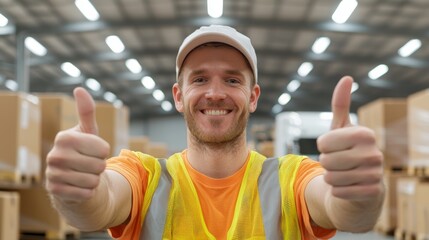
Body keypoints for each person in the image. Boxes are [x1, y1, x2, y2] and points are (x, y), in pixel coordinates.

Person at [45, 25, 385, 240]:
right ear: (179, 96)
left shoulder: (291, 177)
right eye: (200, 79)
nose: (215, 93)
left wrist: (359, 192)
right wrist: (76, 192)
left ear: (253, 97)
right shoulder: (144, 175)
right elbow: (97, 205)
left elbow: (346, 211)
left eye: (233, 79)